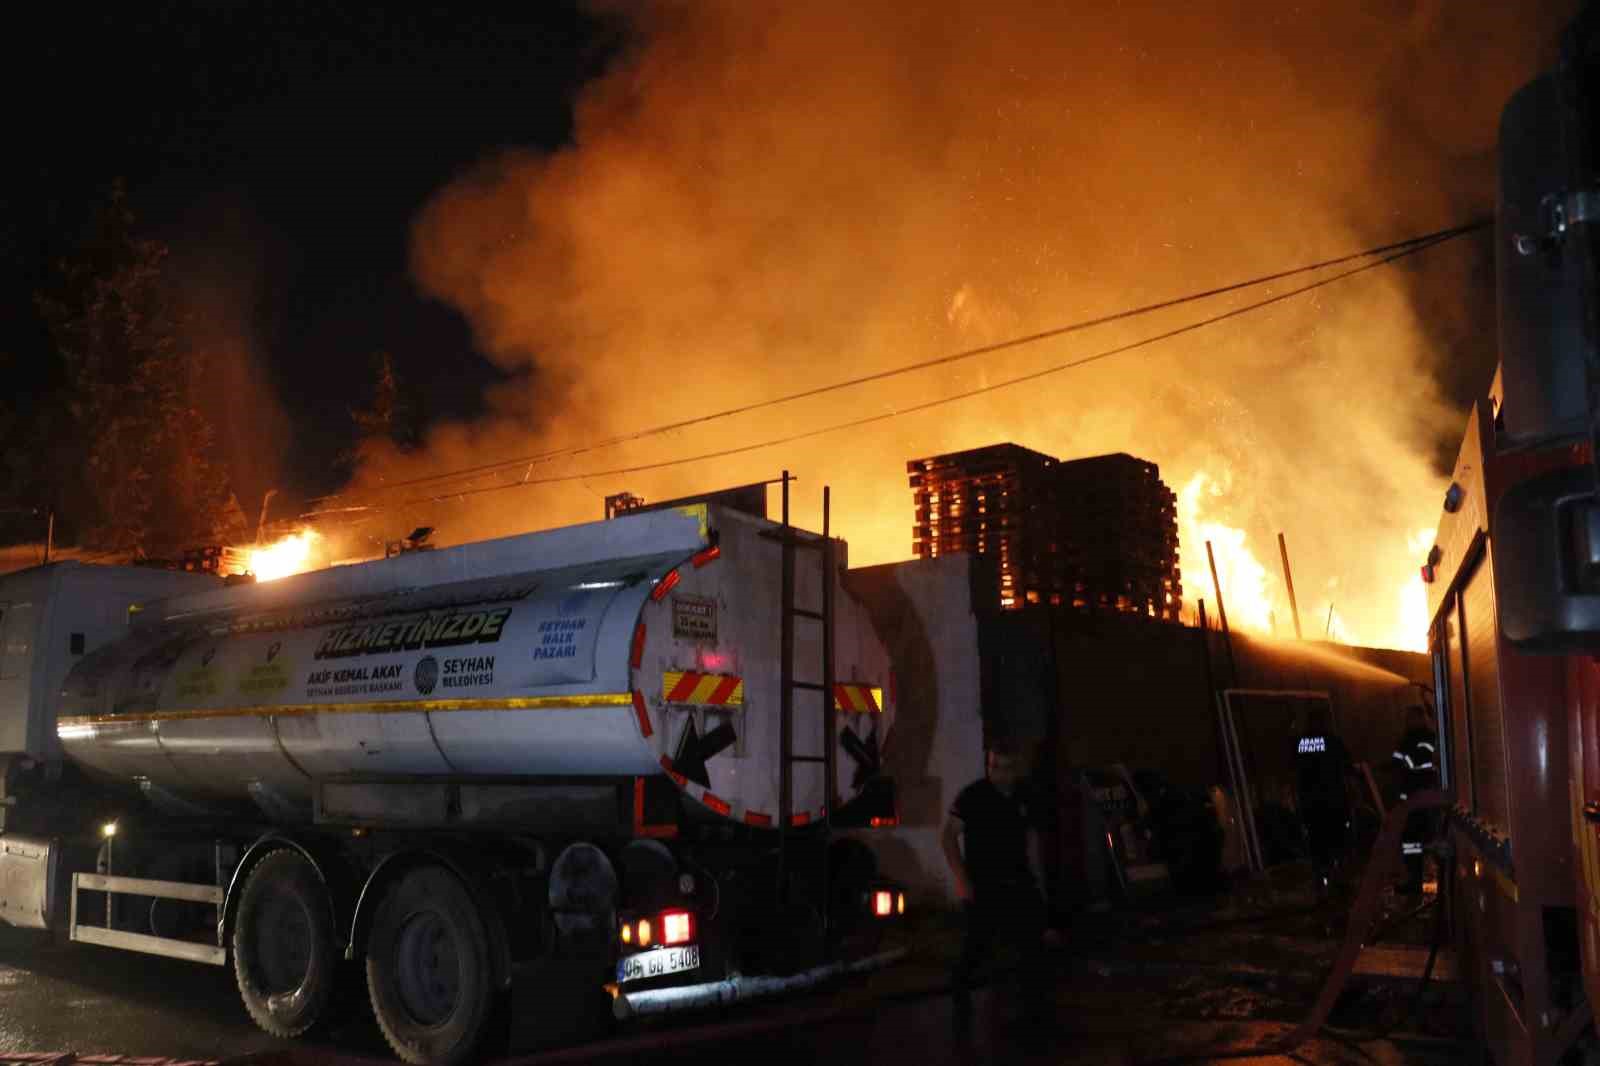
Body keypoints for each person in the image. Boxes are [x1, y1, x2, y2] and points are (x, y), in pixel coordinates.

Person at [942, 743, 1054, 1041]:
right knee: (976, 947)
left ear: (1014, 769)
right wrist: (962, 878)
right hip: (983, 883)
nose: (997, 773)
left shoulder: (1024, 795)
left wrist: (1039, 885)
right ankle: (961, 1011)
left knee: (1032, 946)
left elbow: (1032, 842)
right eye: (992, 766)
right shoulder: (974, 796)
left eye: (1004, 767)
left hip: (1018, 881)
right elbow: (949, 836)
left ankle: (1031, 1021)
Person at [1294, 706, 1356, 900]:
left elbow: (1296, 770)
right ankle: (1337, 881)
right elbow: (1348, 765)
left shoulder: (1302, 743)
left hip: (1311, 805)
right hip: (1333, 802)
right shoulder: (1332, 741)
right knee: (1337, 842)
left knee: (1318, 844)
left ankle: (1321, 884)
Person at [1391, 705, 1440, 896]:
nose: (1408, 721)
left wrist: (1404, 762)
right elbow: (1397, 761)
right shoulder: (1408, 739)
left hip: (1423, 800)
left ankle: (1433, 881)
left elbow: (1416, 761)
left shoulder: (1427, 738)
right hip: (1411, 801)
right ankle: (1414, 882)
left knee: (1431, 840)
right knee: (1411, 843)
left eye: (1412, 717)